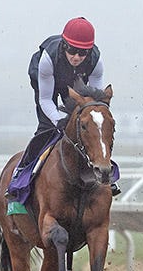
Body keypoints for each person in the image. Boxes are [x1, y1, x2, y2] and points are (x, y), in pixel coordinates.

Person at [7, 17, 119, 205]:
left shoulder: (96, 62)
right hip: (48, 84)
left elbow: (96, 101)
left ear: (89, 51)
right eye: (72, 50)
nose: (76, 57)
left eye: (82, 53)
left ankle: (106, 174)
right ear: (64, 45)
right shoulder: (47, 59)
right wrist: (60, 121)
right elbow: (45, 100)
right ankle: (21, 177)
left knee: (92, 129)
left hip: (77, 86)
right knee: (46, 130)